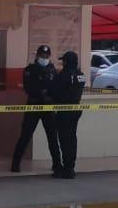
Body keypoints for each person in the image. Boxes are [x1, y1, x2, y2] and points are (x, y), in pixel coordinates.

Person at [10, 44, 61, 173]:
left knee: (52, 137)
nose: (45, 58)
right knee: (25, 135)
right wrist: (41, 93)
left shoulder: (52, 69)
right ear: (37, 55)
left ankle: (57, 164)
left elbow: (56, 87)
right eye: (42, 55)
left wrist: (50, 96)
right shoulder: (30, 70)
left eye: (47, 56)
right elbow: (28, 88)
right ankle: (15, 164)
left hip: (48, 107)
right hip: (34, 105)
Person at [51, 51, 87, 179]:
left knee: (64, 139)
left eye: (64, 61)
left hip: (65, 111)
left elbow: (54, 91)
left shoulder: (63, 75)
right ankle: (71, 166)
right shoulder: (81, 75)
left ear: (66, 62)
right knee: (72, 138)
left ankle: (67, 169)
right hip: (76, 109)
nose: (62, 63)